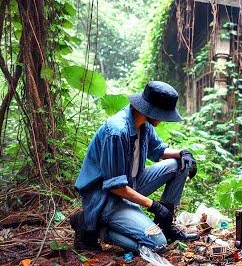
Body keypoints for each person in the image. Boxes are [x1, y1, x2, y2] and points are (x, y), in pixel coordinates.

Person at [70, 81, 200, 254]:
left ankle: (166, 226)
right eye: (162, 114)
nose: (163, 118)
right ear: (150, 110)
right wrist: (154, 205)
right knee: (157, 245)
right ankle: (94, 226)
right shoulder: (117, 131)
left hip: (131, 184)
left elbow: (158, 150)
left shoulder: (143, 124)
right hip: (107, 198)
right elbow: (115, 187)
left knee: (180, 164)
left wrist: (184, 153)